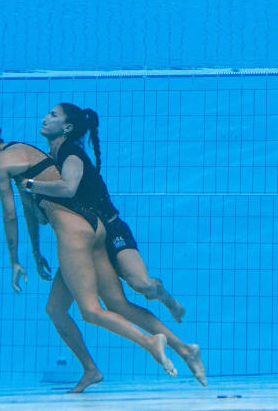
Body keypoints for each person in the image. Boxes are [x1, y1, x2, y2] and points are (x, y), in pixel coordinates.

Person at [0, 125, 178, 389]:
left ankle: (151, 342)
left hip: (73, 233)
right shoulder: (23, 153)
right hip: (93, 226)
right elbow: (29, 212)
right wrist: (35, 252)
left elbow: (9, 215)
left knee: (91, 311)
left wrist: (14, 261)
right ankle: (91, 370)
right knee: (57, 308)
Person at [27, 104, 206, 391]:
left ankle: (168, 301)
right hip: (86, 239)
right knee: (82, 307)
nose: (45, 118)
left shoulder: (70, 153)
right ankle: (184, 350)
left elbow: (70, 187)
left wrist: (31, 185)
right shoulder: (51, 158)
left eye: (53, 115)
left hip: (111, 229)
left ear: (68, 127)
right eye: (46, 113)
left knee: (142, 285)